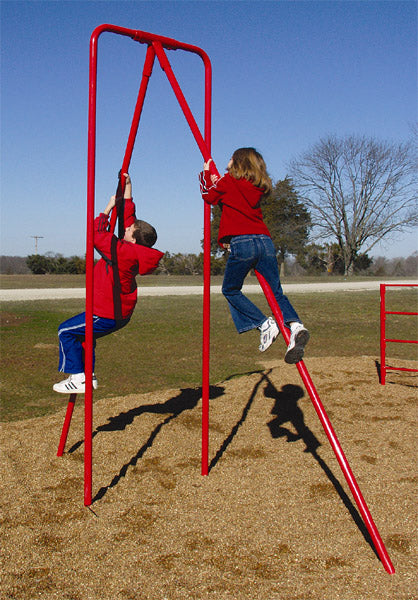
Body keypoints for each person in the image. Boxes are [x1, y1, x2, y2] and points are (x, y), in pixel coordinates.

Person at [53, 174, 164, 394]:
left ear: (133, 238)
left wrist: (107, 208)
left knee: (65, 331)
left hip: (106, 313)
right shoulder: (134, 249)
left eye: (129, 230)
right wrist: (128, 189)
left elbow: (95, 235)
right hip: (117, 313)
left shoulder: (122, 252)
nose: (126, 228)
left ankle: (78, 377)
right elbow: (129, 218)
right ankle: (87, 375)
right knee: (84, 337)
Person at [199, 147, 309, 364]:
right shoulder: (257, 186)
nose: (227, 161)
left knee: (230, 290)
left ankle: (263, 324)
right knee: (276, 291)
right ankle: (296, 326)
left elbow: (208, 195)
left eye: (230, 158)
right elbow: (228, 197)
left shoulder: (229, 181)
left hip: (243, 242)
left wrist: (205, 173)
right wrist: (217, 179)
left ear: (238, 163)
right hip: (265, 242)